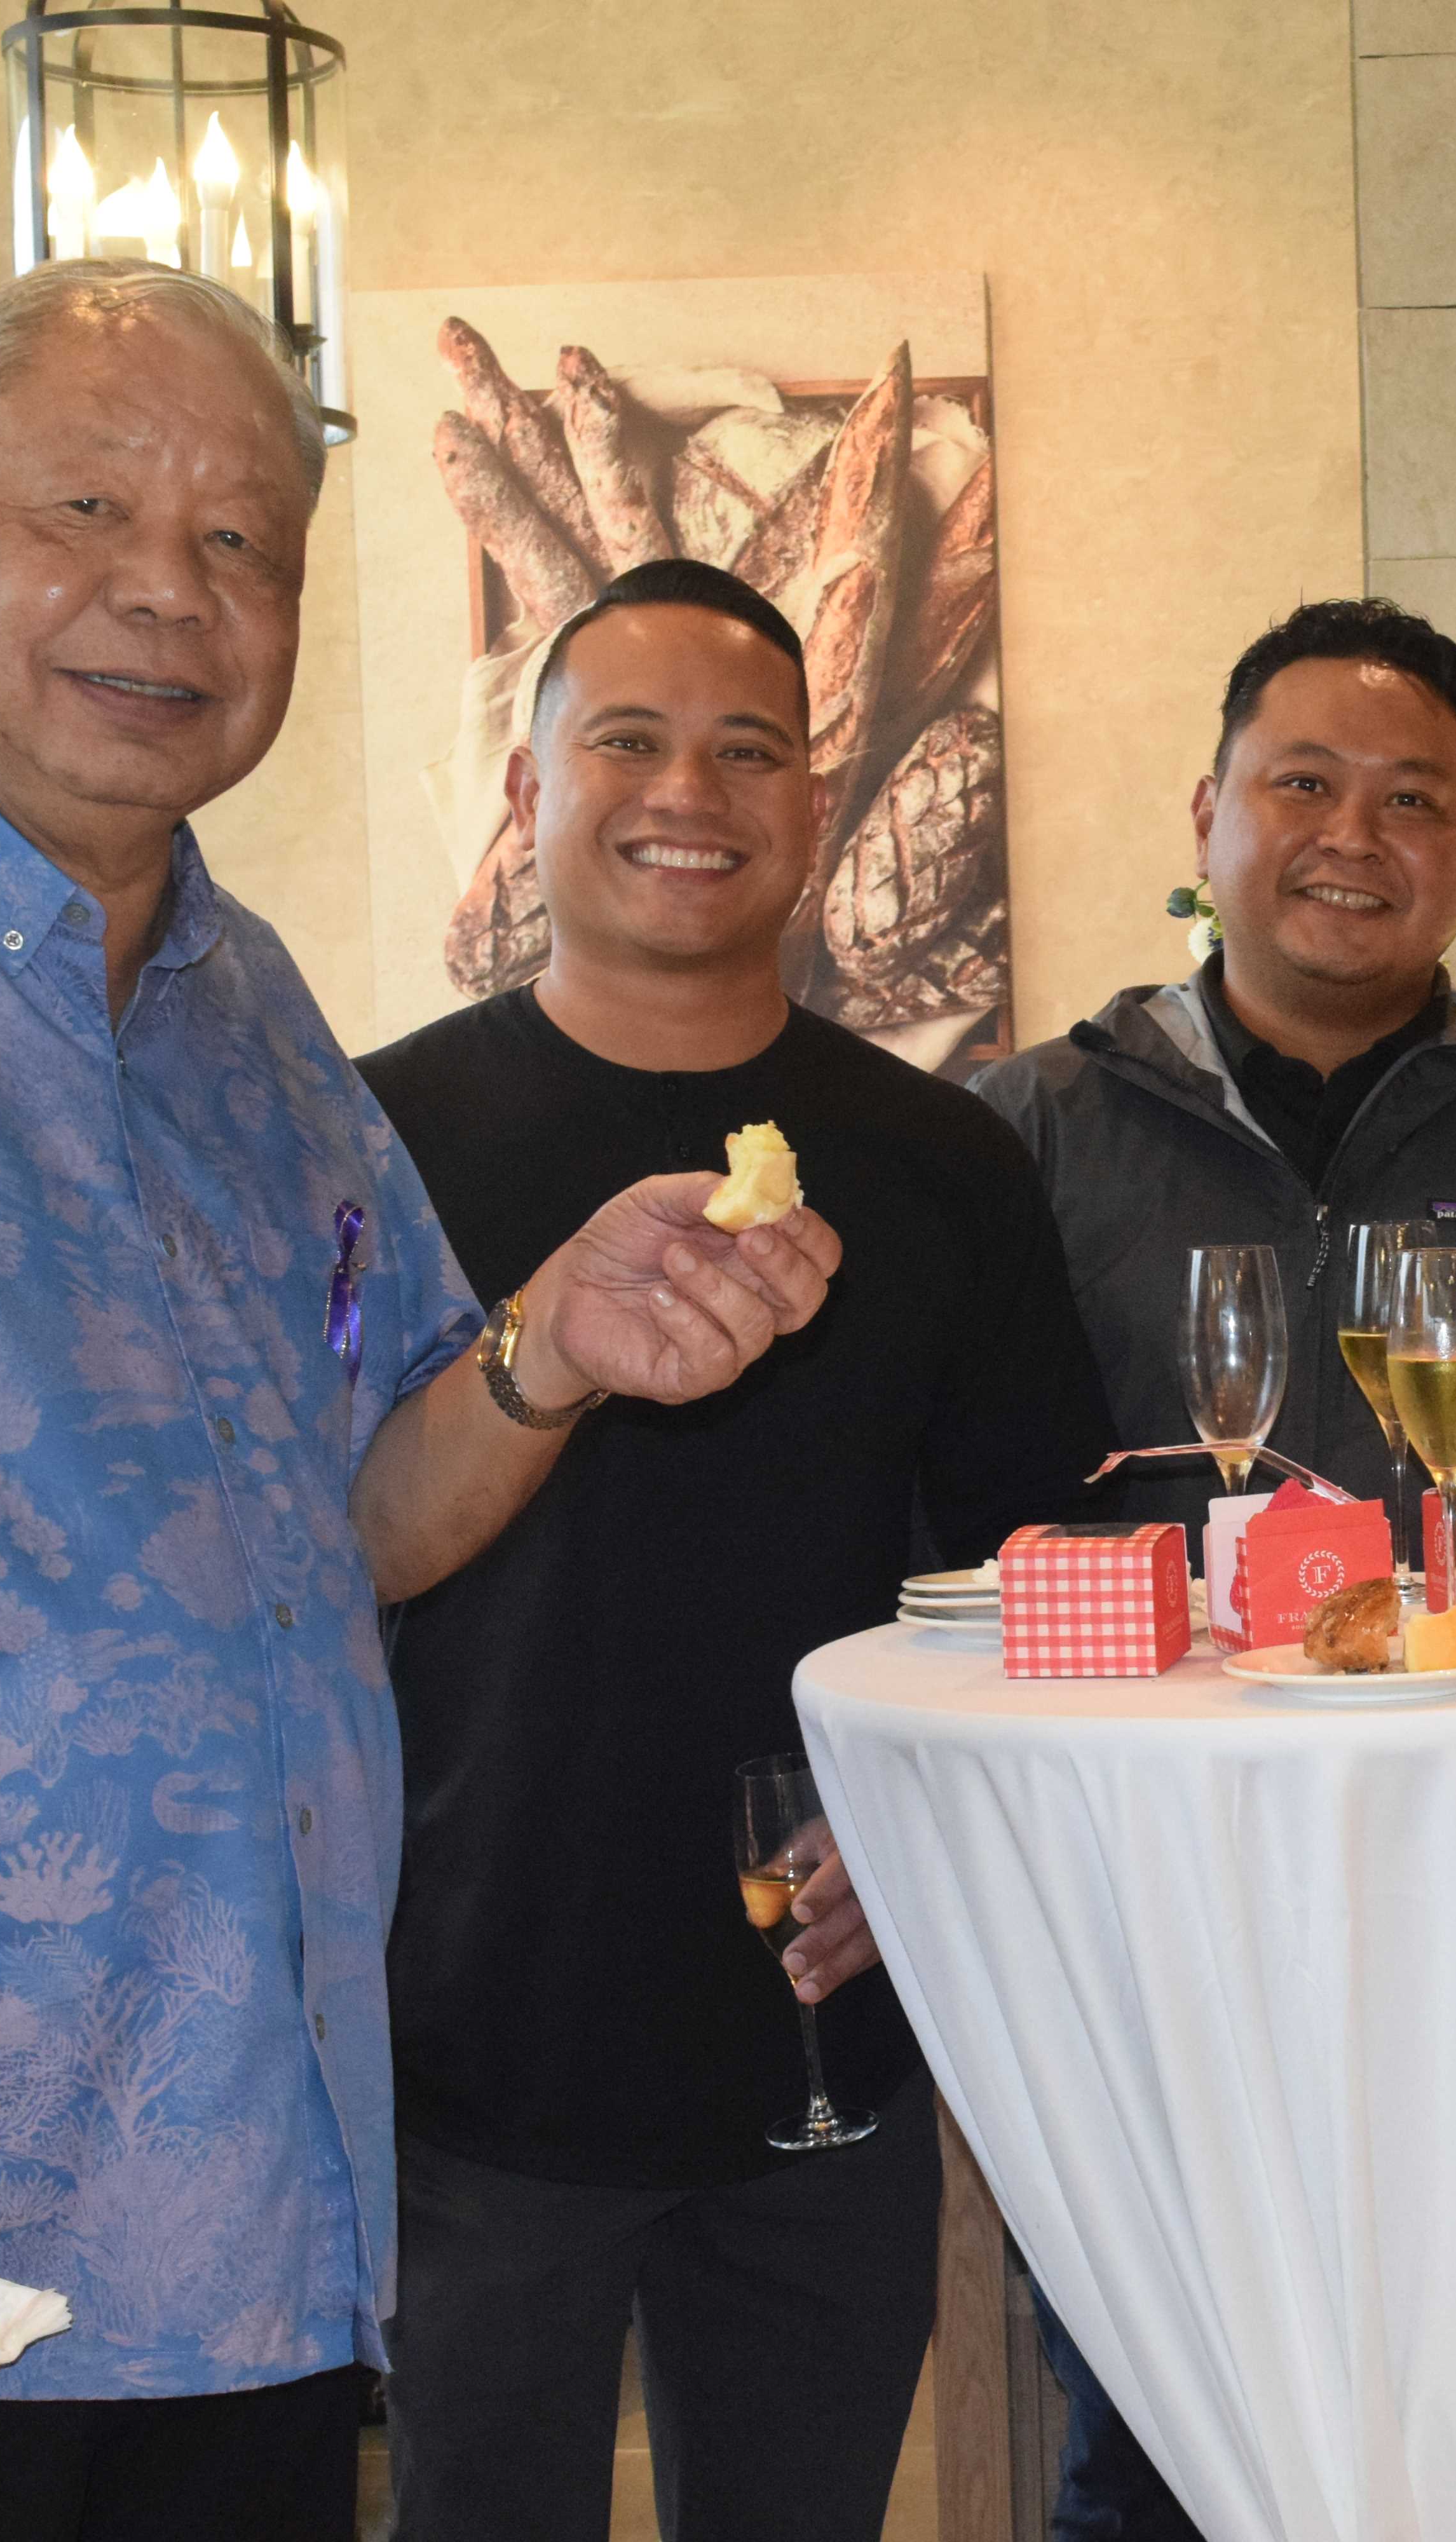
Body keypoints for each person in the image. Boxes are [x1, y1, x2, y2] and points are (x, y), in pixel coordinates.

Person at [0, 264, 835, 2538]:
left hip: (244, 2274)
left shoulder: (242, 1003)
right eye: (89, 506)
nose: (166, 593)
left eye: (242, 547)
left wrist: (547, 1353)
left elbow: (355, 1522)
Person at [357, 559, 1113, 2541]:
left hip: (823, 2028)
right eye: (627, 739)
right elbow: (294, 1558)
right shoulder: (380, 1140)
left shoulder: (946, 1159)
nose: (688, 787)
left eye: (748, 748)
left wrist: (922, 1815)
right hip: (467, 2019)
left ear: (813, 799)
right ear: (528, 792)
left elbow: (1041, 1566)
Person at [970, 595, 1456, 2538]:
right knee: (1155, 2442)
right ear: (1208, 811)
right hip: (1146, 1943)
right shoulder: (1027, 1132)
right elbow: (944, 1530)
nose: (1353, 837)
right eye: (1304, 783)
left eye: (1414, 801)